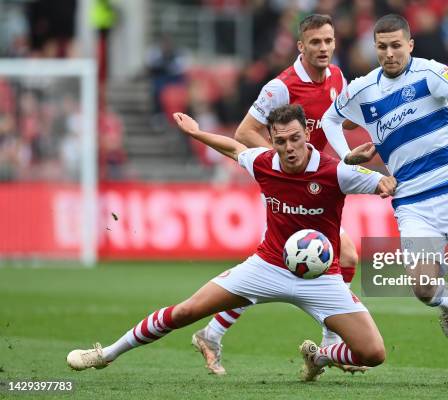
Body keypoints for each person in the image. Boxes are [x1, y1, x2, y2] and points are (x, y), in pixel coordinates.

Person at [66, 104, 395, 381]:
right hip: (267, 267)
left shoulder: (335, 172)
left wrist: (384, 183)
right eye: (280, 141)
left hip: (321, 278)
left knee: (373, 353)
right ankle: (106, 353)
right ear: (272, 141)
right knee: (186, 311)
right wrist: (196, 134)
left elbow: (382, 182)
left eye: (295, 138)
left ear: (307, 135)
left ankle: (320, 357)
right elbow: (234, 148)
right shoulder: (265, 163)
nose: (289, 147)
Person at [321, 14, 448, 387]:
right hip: (411, 201)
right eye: (382, 47)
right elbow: (329, 120)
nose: (389, 54)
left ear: (410, 45)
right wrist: (348, 156)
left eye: (396, 46)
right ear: (376, 48)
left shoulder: (431, 73)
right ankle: (447, 303)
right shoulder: (362, 89)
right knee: (423, 288)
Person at [193, 14, 362, 375]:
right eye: (315, 42)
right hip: (289, 183)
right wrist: (281, 164)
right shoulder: (281, 87)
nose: (323, 48)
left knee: (284, 263)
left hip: (317, 188)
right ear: (301, 46)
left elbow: (335, 121)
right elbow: (245, 131)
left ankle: (213, 332)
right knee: (335, 255)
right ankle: (331, 344)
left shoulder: (336, 78)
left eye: (328, 41)